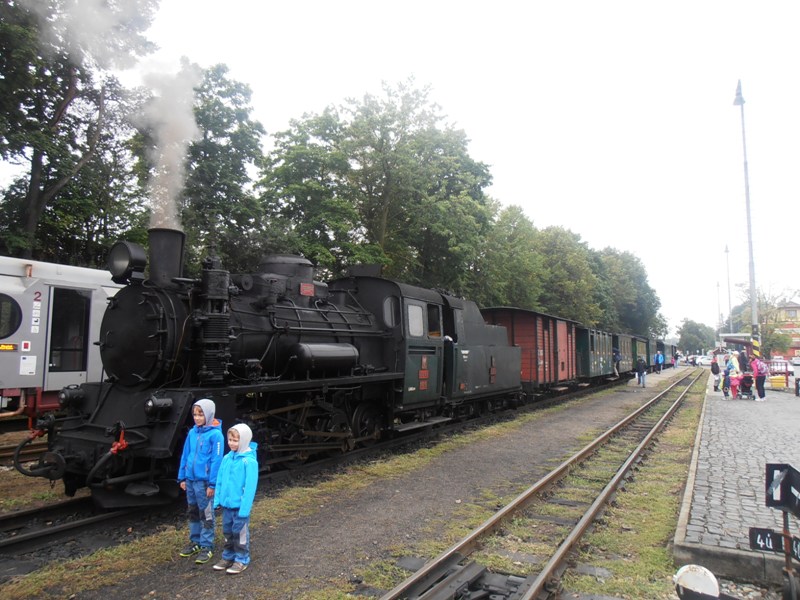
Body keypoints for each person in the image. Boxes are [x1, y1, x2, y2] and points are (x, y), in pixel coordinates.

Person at [178, 399, 224, 564]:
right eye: (195, 415)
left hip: (204, 482)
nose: (197, 418)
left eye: (200, 414)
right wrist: (182, 476)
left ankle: (207, 545)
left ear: (209, 414)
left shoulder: (216, 435)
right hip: (190, 480)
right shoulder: (192, 433)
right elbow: (185, 454)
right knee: (193, 511)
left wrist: (213, 484)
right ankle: (195, 541)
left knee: (206, 514)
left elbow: (216, 461)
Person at [213, 423, 259, 574]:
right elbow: (220, 480)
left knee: (240, 533)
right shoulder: (227, 458)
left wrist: (245, 509)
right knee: (227, 532)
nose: (231, 443)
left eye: (235, 440)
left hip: (240, 507)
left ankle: (241, 559)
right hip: (227, 505)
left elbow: (250, 487)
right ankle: (228, 556)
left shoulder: (249, 462)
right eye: (230, 439)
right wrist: (217, 500)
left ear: (244, 440)